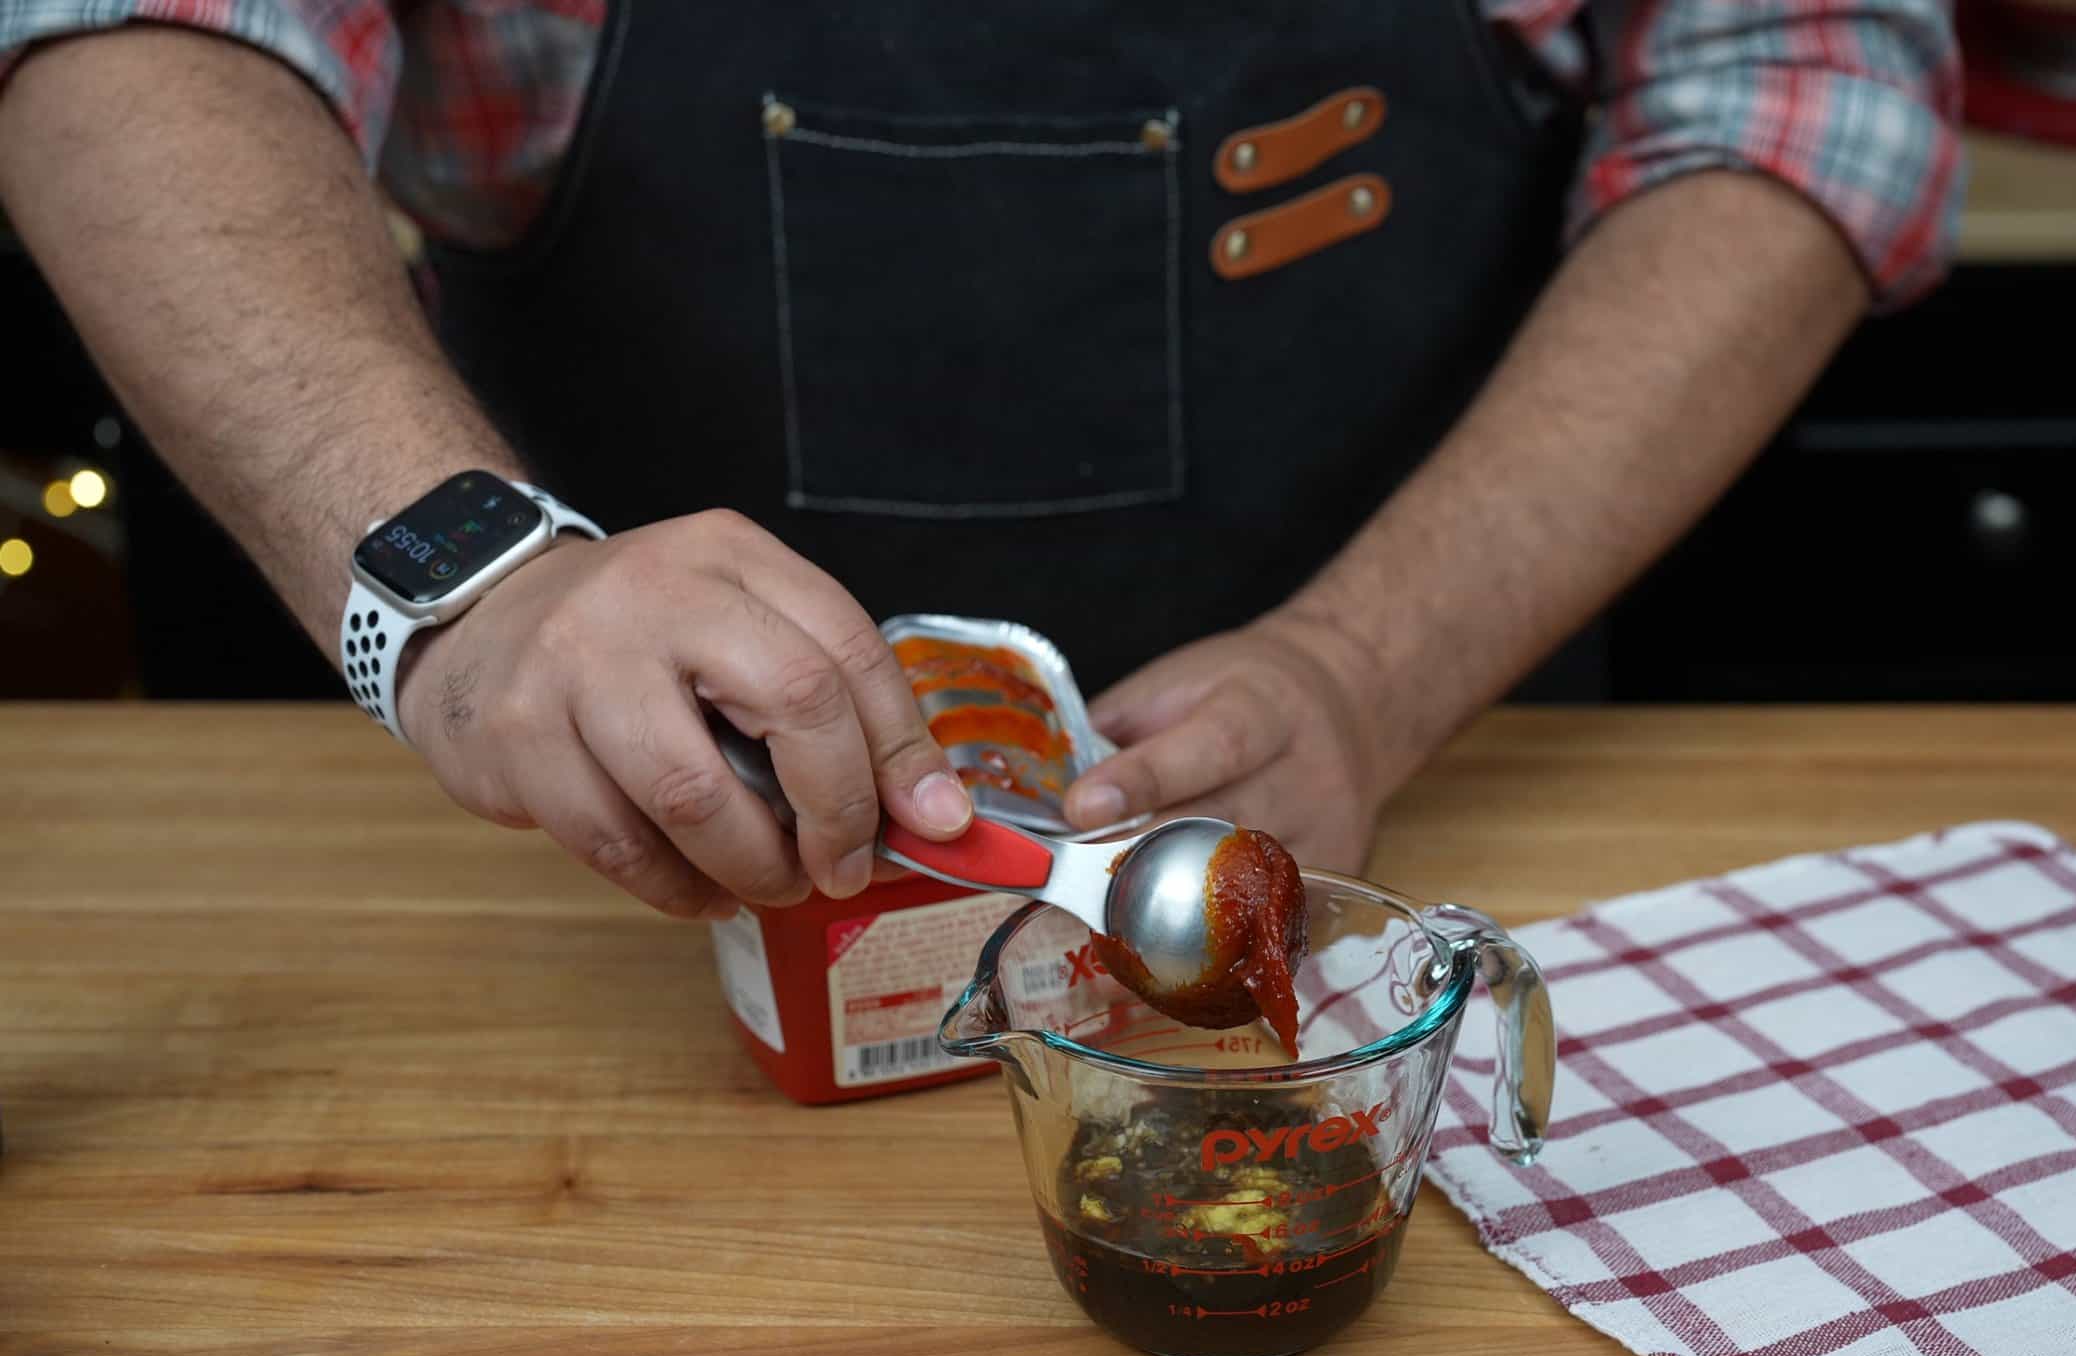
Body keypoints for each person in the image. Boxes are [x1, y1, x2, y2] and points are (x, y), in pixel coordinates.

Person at [0, 1, 1961, 917]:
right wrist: (476, 580)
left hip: (1440, 825)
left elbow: (1804, 80)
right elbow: (125, 29)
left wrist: (1371, 667)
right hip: (586, 928)